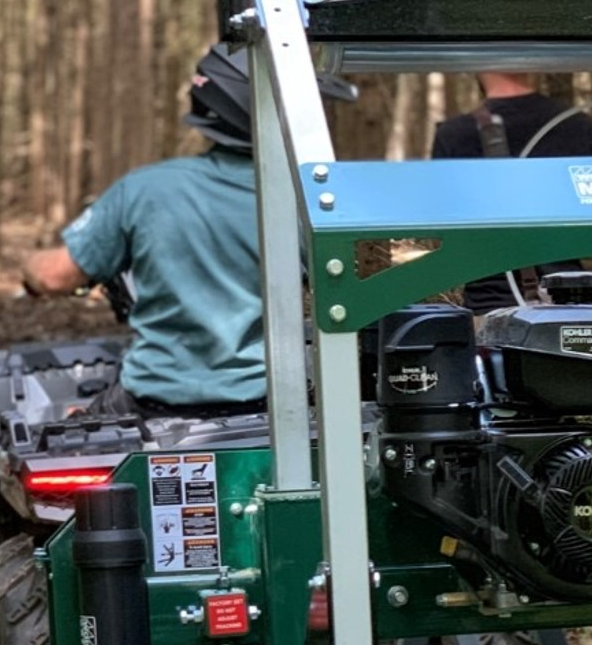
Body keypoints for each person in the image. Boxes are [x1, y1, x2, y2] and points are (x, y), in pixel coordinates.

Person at [20, 44, 352, 417]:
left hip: (154, 404)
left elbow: (53, 276)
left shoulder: (145, 190)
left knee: (70, 429)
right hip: (272, 408)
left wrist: (30, 267)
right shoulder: (312, 200)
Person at [432, 72, 592, 313]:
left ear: (478, 68)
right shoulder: (576, 125)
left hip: (490, 305)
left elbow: (446, 232)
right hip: (570, 303)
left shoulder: (454, 135)